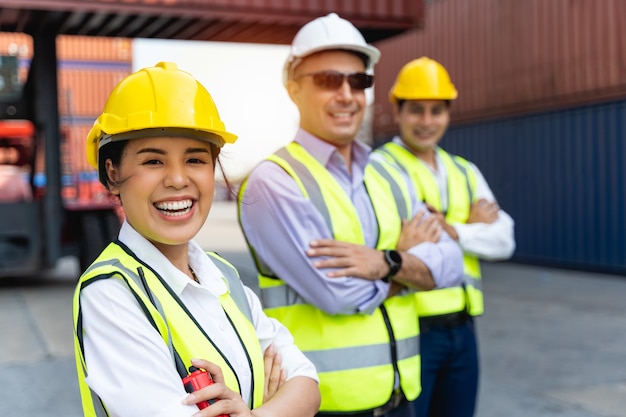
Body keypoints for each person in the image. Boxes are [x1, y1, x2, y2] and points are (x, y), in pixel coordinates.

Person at [237, 14, 464, 417]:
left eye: (359, 81)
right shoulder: (275, 183)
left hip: (402, 397)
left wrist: (384, 261)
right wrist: (411, 265)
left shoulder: (388, 172)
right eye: (327, 80)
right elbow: (338, 295)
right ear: (293, 87)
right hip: (326, 404)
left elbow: (451, 265)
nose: (347, 94)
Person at [72, 62, 320, 417]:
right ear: (112, 173)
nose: (177, 179)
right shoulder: (111, 294)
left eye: (195, 159)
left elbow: (307, 383)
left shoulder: (222, 275)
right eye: (154, 161)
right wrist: (273, 404)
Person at [374, 57, 516, 417]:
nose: (426, 121)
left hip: (463, 330)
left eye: (436, 111)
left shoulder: (464, 171)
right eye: (416, 110)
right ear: (398, 111)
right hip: (414, 329)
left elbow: (505, 239)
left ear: (448, 113)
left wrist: (450, 228)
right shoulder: (380, 169)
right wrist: (471, 225)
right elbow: (403, 244)